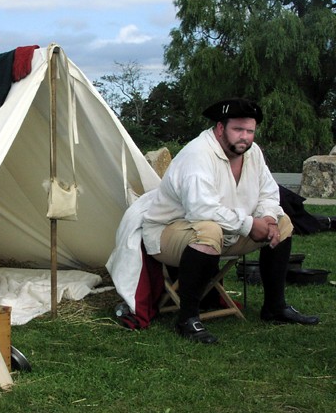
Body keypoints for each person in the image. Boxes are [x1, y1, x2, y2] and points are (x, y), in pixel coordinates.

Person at [107, 98, 319, 344]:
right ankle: (188, 318)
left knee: (283, 224)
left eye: (250, 131)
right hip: (168, 234)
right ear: (220, 128)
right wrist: (251, 225)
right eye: (238, 130)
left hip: (226, 231)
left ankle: (275, 307)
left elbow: (269, 193)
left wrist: (269, 218)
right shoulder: (197, 154)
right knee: (208, 230)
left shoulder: (254, 153)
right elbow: (201, 210)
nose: (245, 137)